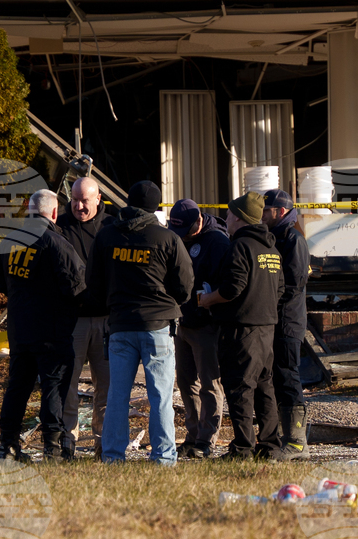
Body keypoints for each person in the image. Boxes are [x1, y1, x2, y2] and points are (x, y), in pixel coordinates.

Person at [87, 180, 193, 466]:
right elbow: (185, 285)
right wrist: (166, 302)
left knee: (117, 395)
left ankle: (112, 456)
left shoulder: (106, 236)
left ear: (128, 202)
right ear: (156, 207)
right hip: (157, 325)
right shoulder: (167, 238)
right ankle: (163, 457)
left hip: (120, 325)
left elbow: (93, 283)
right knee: (160, 396)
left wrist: (112, 304)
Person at [0, 189, 86, 463]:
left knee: (17, 388)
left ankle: (8, 446)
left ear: (29, 210)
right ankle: (53, 449)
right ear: (54, 212)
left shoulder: (9, 241)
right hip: (51, 332)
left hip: (19, 331)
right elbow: (77, 288)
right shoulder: (56, 243)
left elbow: (1, 284)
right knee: (53, 388)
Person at [198, 192, 283, 461]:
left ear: (238, 217)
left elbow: (233, 287)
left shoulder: (240, 246)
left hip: (242, 329)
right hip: (267, 328)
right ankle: (270, 445)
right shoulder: (271, 249)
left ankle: (243, 448)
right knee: (264, 387)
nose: (226, 219)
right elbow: (281, 288)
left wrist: (208, 300)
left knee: (240, 388)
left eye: (229, 214)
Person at [167, 198, 231, 459]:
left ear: (198, 221)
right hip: (182, 320)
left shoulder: (217, 242)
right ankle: (192, 435)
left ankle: (207, 439)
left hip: (207, 324)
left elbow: (227, 283)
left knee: (209, 383)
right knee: (185, 382)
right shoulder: (178, 237)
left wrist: (209, 303)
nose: (181, 236)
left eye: (185, 230)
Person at [56, 176, 114, 460]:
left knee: (107, 385)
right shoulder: (60, 226)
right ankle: (68, 440)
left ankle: (104, 443)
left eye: (85, 201)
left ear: (98, 198)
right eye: (75, 200)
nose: (79, 206)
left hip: (106, 319)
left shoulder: (112, 227)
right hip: (72, 320)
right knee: (68, 382)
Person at [262, 189, 311, 460]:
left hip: (288, 322)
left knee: (288, 377)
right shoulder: (274, 237)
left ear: (280, 211)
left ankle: (297, 442)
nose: (262, 215)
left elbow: (294, 284)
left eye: (266, 210)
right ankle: (287, 437)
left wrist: (269, 302)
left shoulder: (293, 239)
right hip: (275, 320)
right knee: (278, 378)